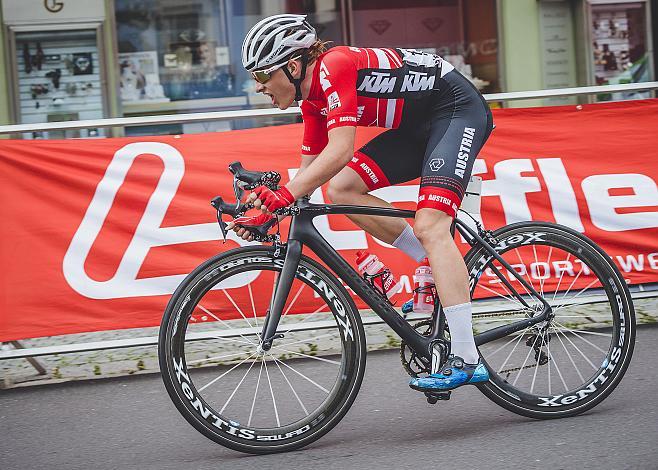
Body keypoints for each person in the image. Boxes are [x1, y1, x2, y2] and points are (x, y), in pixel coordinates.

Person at [228, 14, 493, 392]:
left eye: (261, 76)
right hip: (419, 125)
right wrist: (264, 212)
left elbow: (339, 150)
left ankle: (467, 358)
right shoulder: (312, 101)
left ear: (291, 65)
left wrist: (281, 198)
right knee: (341, 190)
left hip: (455, 109)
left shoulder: (333, 67)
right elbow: (308, 176)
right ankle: (433, 264)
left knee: (431, 225)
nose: (259, 88)